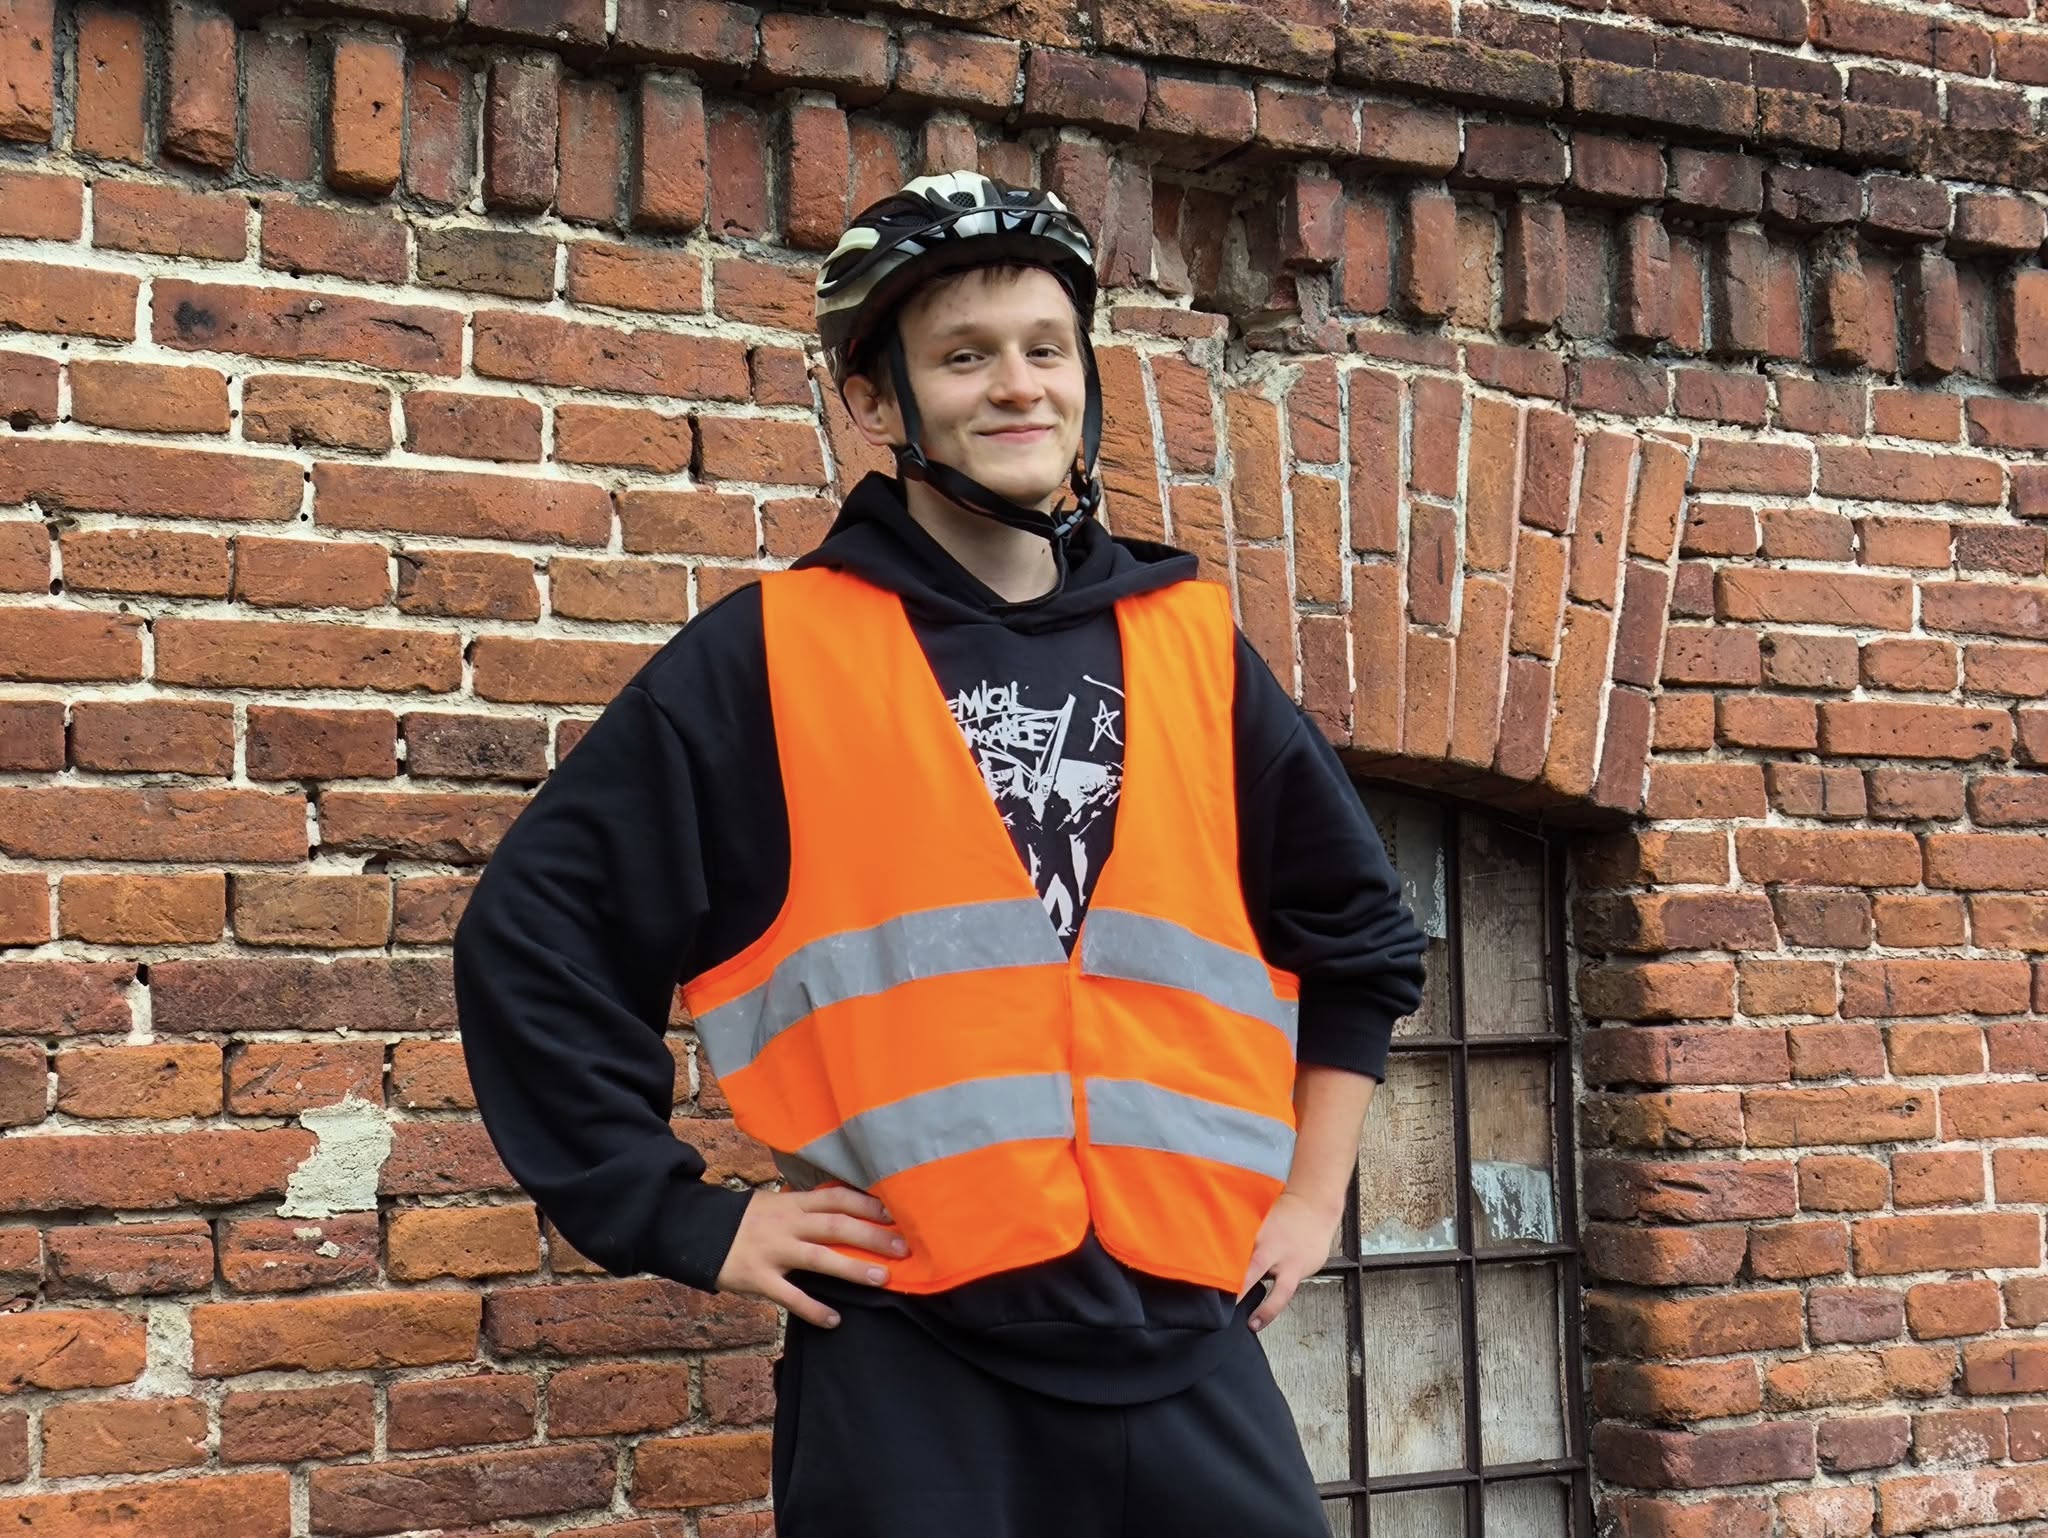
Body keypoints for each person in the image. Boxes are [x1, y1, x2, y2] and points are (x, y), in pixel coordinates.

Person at [454, 172, 1427, 1537]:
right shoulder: (772, 659)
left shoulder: (1195, 649)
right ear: (878, 399)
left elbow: (1361, 940)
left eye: (1047, 348)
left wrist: (1314, 1201)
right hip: (911, 1365)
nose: (1019, 386)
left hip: (1191, 1350)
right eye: (965, 357)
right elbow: (534, 940)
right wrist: (683, 1219)